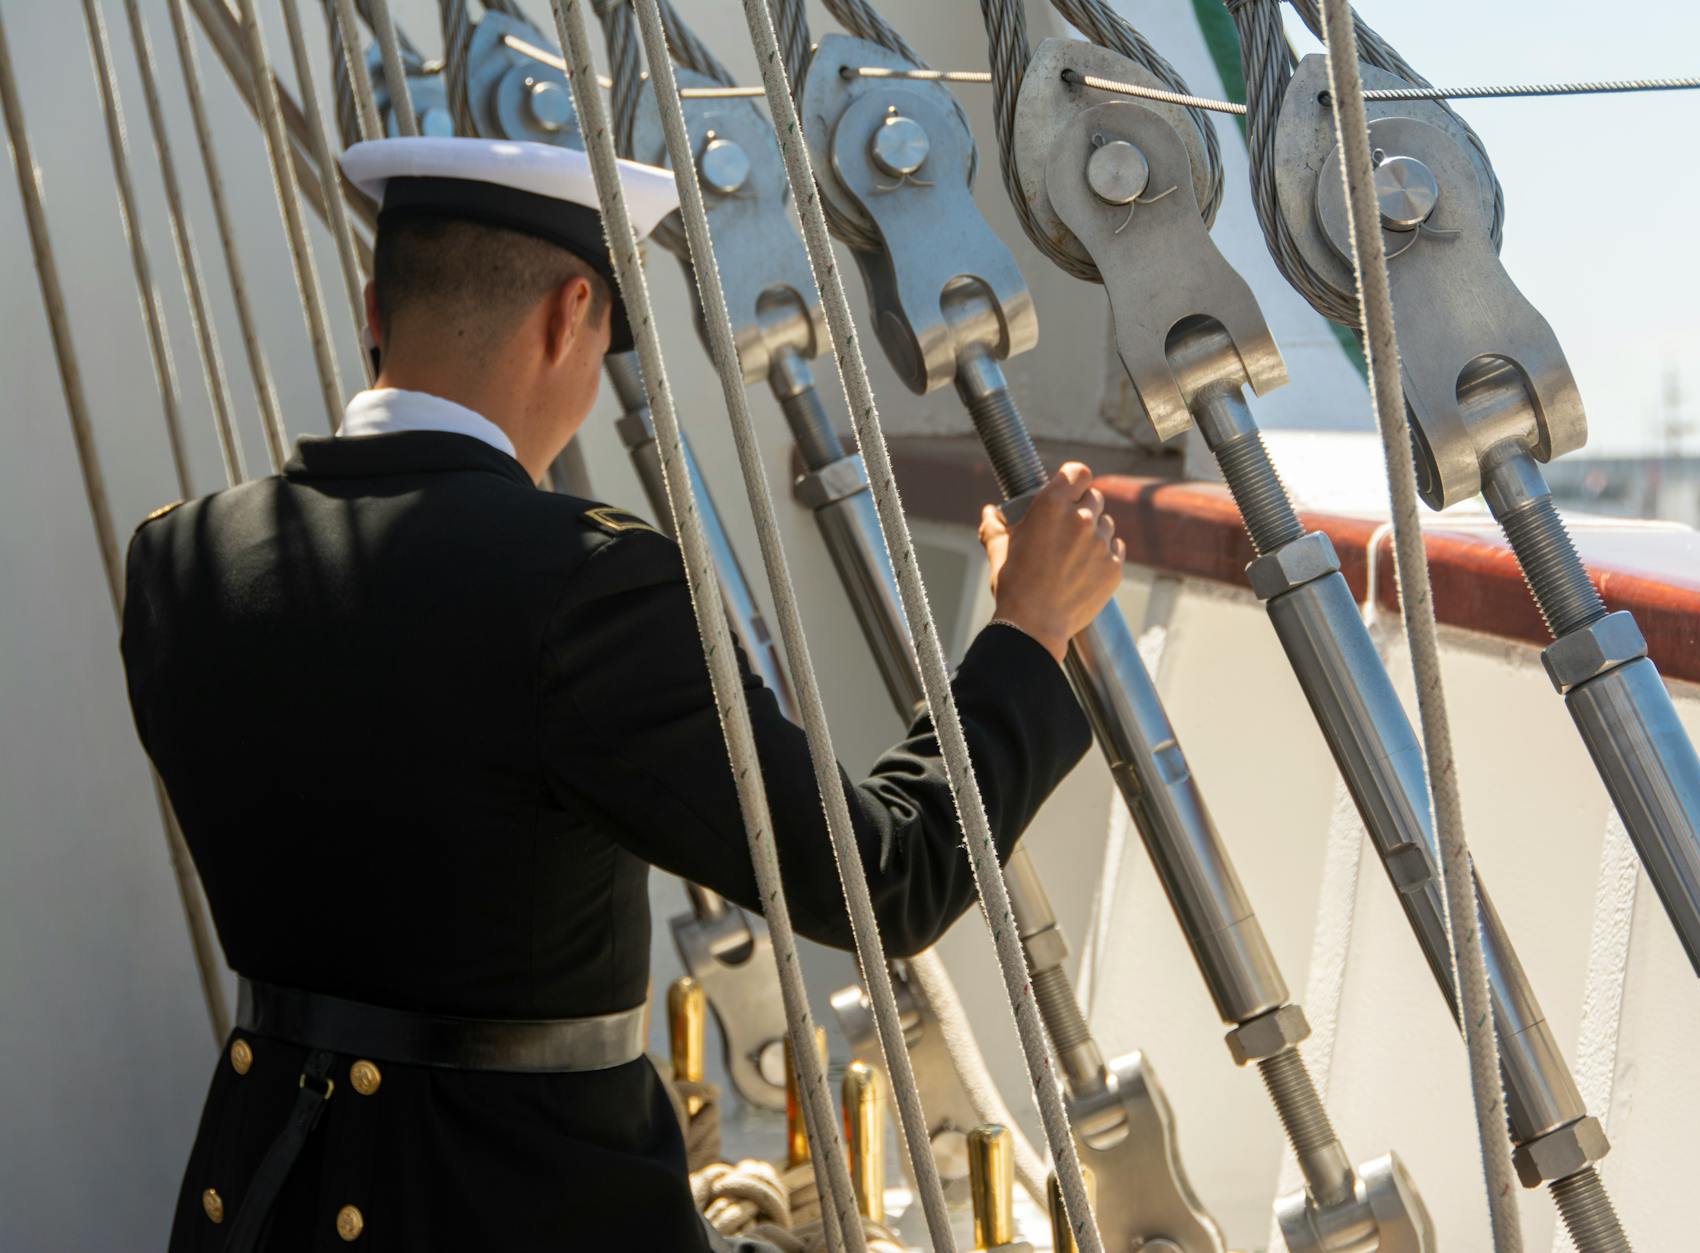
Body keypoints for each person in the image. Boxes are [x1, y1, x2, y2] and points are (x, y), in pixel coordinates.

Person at [121, 136, 1124, 1252]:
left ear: (374, 309)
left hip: (258, 1209)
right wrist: (1028, 631)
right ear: (568, 315)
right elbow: (883, 880)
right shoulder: (585, 583)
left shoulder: (177, 559)